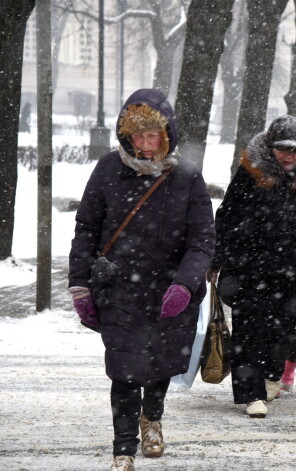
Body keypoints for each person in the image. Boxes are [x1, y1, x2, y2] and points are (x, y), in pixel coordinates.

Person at [68, 88, 215, 471]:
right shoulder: (107, 170)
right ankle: (123, 447)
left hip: (170, 290)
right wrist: (80, 284)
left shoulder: (186, 175)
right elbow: (86, 228)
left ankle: (153, 417)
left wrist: (184, 284)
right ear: (125, 136)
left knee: (162, 363)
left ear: (167, 135)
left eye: (153, 136)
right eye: (137, 136)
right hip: (119, 288)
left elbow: (202, 239)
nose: (145, 145)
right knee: (125, 367)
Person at [208, 115, 296, 418]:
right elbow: (227, 216)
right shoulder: (251, 172)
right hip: (246, 264)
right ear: (271, 147)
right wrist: (215, 259)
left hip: (287, 266)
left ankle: (271, 376)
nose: (289, 155)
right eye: (283, 149)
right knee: (249, 328)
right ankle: (251, 394)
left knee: (281, 329)